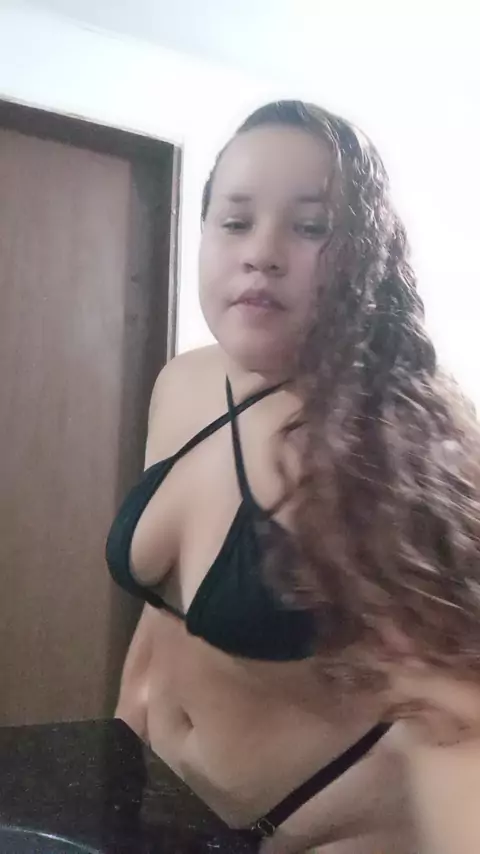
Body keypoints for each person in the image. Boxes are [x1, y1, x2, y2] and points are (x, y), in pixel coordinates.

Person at [106, 101, 480, 853]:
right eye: (235, 221)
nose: (262, 253)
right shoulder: (183, 383)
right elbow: (162, 617)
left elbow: (458, 729)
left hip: (330, 829)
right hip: (169, 803)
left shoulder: (393, 446)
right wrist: (115, 755)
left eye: (310, 227)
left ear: (368, 258)